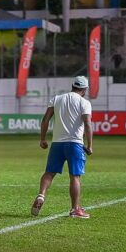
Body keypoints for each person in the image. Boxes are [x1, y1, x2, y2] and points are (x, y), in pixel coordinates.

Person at [31, 75, 93, 218]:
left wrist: (42, 139)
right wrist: (90, 145)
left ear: (72, 86)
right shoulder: (84, 103)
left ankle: (41, 195)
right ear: (84, 89)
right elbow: (88, 124)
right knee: (75, 177)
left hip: (57, 143)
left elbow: (46, 119)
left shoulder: (57, 99)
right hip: (75, 143)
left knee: (49, 173)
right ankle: (75, 209)